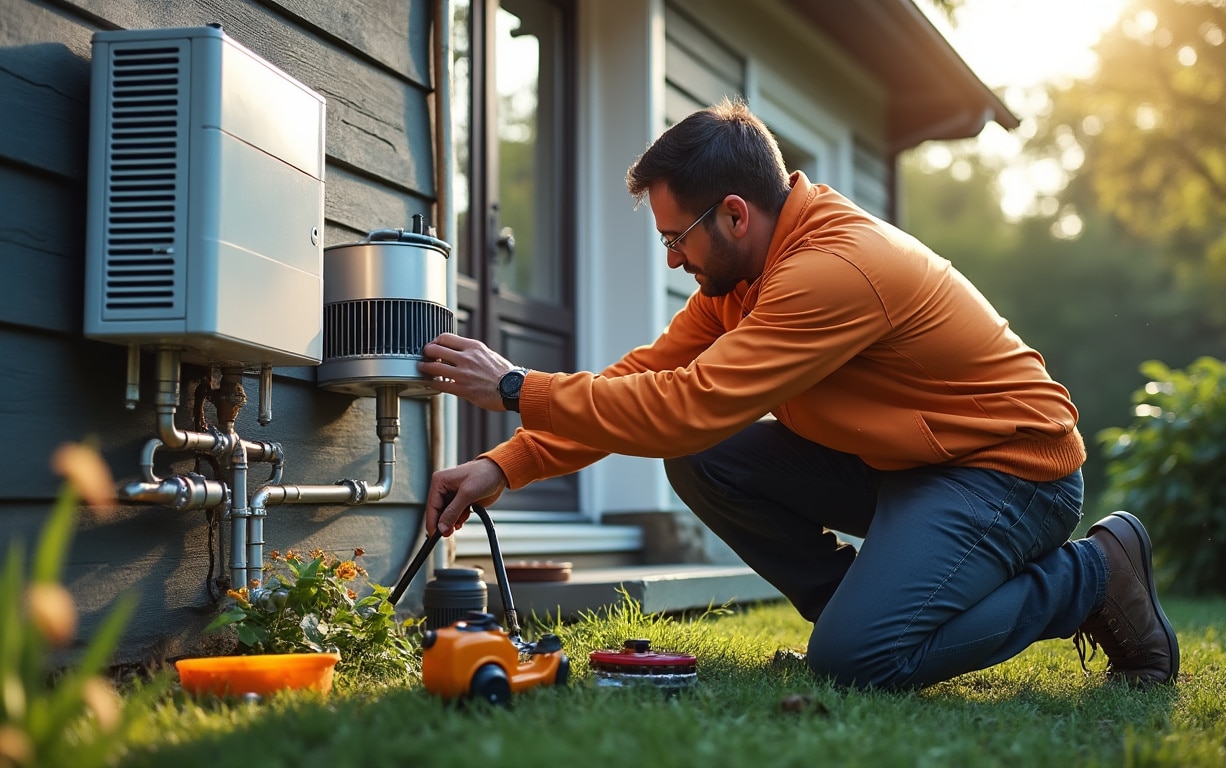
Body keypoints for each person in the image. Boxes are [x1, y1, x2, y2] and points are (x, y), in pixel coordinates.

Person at [417, 98, 1179, 690]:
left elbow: (690, 403)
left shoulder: (829, 271)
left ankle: (1094, 573)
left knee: (859, 664)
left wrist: (519, 386)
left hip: (1009, 474)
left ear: (736, 215)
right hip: (907, 464)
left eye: (675, 238)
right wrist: (505, 465)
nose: (675, 258)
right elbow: (647, 385)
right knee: (703, 458)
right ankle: (863, 610)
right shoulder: (741, 280)